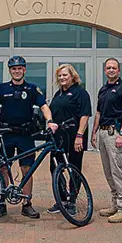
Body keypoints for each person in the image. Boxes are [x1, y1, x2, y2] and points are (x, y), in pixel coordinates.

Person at [0, 55, 59, 219]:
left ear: (24, 70)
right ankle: (1, 204)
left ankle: (27, 204)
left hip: (25, 135)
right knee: (3, 168)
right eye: (13, 69)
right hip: (6, 134)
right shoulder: (2, 88)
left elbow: (44, 106)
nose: (17, 71)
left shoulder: (32, 89)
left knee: (27, 169)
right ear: (10, 71)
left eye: (19, 68)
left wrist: (50, 121)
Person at [90, 58, 122, 223]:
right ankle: (115, 204)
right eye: (108, 68)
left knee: (119, 171)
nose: (110, 70)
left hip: (116, 133)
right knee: (109, 172)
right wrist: (94, 132)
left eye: (113, 68)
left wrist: (121, 133)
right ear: (105, 70)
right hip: (103, 133)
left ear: (119, 71)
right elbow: (98, 113)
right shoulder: (103, 90)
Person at [47, 64, 92, 215]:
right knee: (55, 167)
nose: (62, 78)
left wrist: (79, 135)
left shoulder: (81, 93)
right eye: (60, 76)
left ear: (72, 76)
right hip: (58, 138)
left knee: (74, 168)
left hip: (74, 137)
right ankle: (62, 199)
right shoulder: (58, 94)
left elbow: (85, 116)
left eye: (65, 75)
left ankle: (72, 201)